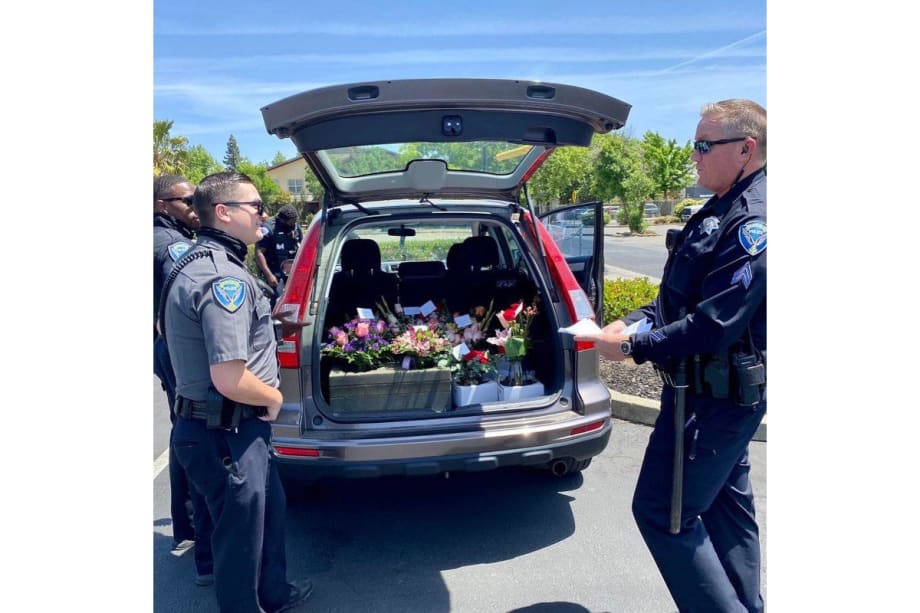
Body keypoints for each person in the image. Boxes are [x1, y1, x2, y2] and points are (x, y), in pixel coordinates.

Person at [576, 99, 767, 612]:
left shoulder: (754, 220)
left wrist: (634, 346)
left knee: (664, 514)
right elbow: (677, 299)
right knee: (728, 510)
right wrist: (635, 320)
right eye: (694, 144)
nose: (694, 156)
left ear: (746, 149)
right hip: (710, 398)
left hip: (713, 403)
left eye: (705, 145)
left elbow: (714, 323)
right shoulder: (722, 204)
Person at [162, 171, 313, 612]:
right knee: (239, 545)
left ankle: (275, 594)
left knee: (267, 516)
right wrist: (273, 397)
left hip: (225, 427)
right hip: (226, 431)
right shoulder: (221, 279)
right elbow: (229, 377)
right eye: (256, 206)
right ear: (225, 213)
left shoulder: (194, 263)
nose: (263, 214)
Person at [153, 174, 215, 585]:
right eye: (188, 199)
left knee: (184, 431)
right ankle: (204, 546)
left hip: (166, 346)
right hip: (180, 348)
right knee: (199, 434)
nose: (196, 206)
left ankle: (188, 525)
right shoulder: (168, 245)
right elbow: (202, 287)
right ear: (162, 204)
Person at [255, 204, 302, 307]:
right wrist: (268, 274)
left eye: (294, 221)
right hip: (275, 271)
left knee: (296, 300)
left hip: (292, 270)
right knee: (278, 300)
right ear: (282, 220)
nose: (293, 224)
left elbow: (301, 246)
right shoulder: (269, 228)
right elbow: (259, 253)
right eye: (291, 221)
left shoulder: (296, 227)